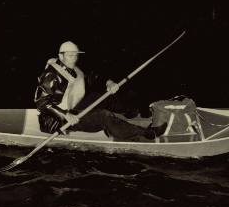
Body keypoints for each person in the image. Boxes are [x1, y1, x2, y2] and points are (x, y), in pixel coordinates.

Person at [34, 41, 166, 141]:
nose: (74, 58)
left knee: (103, 96)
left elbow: (91, 79)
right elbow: (42, 103)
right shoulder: (50, 75)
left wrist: (108, 82)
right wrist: (66, 115)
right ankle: (148, 134)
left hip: (73, 107)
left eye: (75, 55)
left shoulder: (72, 69)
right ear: (60, 56)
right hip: (56, 120)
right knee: (103, 115)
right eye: (70, 55)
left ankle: (129, 116)